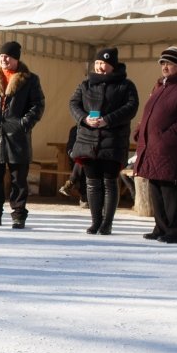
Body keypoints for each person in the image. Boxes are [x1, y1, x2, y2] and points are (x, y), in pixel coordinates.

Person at [133, 46, 177, 243]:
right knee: (156, 187)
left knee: (171, 189)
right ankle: (161, 227)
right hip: (152, 147)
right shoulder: (160, 87)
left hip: (172, 149)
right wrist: (140, 132)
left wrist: (167, 139)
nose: (165, 66)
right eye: (162, 63)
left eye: (170, 63)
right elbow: (149, 115)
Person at [0, 41, 45, 229]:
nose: (3, 59)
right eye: (1, 56)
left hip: (18, 136)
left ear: (16, 59)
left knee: (18, 179)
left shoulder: (29, 79)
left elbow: (37, 105)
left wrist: (23, 125)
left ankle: (19, 214)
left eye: (7, 56)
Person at [69, 47, 139, 235]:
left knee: (109, 182)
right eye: (98, 63)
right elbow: (74, 104)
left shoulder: (126, 85)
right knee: (92, 182)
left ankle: (107, 223)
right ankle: (95, 221)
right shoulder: (85, 84)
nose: (100, 67)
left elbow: (131, 107)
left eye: (104, 63)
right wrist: (84, 118)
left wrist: (108, 120)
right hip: (88, 140)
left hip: (113, 141)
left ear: (113, 66)